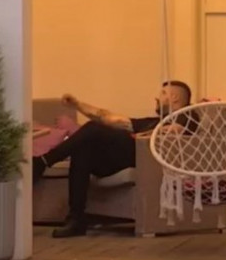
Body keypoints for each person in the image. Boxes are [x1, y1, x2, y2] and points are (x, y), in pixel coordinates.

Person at [33, 80, 198, 238]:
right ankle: (76, 218)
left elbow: (173, 132)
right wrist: (77, 104)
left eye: (163, 93)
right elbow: (107, 117)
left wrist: (141, 135)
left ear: (174, 97)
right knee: (83, 149)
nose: (157, 97)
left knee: (92, 128)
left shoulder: (187, 114)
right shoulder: (152, 121)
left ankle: (43, 161)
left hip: (146, 158)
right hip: (127, 156)